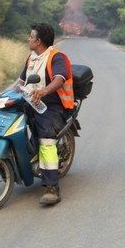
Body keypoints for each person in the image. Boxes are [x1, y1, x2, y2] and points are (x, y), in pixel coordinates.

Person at [18, 23, 75, 205]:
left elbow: (60, 79)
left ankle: (52, 188)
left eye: (31, 36)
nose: (28, 39)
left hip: (53, 106)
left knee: (47, 140)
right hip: (31, 102)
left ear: (39, 41)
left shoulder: (57, 57)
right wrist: (7, 97)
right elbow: (20, 81)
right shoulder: (32, 58)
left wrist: (44, 92)